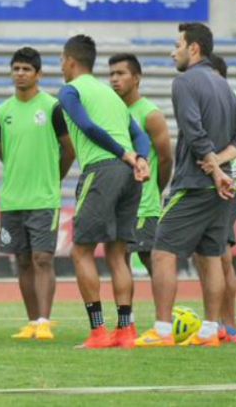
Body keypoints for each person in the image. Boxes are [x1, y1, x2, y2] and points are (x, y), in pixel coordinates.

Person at [134, 23, 236, 348]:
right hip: (221, 187)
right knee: (211, 255)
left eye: (177, 45)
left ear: (193, 48)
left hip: (195, 184)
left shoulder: (184, 82)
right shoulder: (225, 86)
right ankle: (210, 331)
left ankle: (162, 330)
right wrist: (221, 168)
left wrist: (213, 168)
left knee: (162, 251)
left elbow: (194, 131)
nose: (173, 52)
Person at [57, 35, 151, 349]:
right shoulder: (111, 95)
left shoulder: (70, 91)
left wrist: (124, 154)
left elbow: (86, 127)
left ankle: (98, 332)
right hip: (129, 175)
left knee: (81, 251)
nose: (61, 66)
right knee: (117, 253)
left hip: (102, 170)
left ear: (70, 61)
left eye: (62, 61)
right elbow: (140, 136)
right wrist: (141, 160)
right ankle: (126, 330)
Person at [0, 47, 75, 342]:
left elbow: (69, 150)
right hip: (13, 199)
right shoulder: (1, 113)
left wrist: (52, 178)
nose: (20, 74)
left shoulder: (53, 108)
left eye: (26, 69)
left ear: (38, 74)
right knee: (23, 260)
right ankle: (31, 321)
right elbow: (4, 153)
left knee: (42, 258)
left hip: (43, 199)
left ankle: (44, 321)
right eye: (16, 68)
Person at [193, 53, 236, 344]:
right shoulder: (221, 99)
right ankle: (219, 324)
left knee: (217, 250)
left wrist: (216, 163)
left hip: (232, 181)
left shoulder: (230, 100)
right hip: (220, 180)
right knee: (209, 250)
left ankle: (227, 325)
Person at [109, 54, 173, 278]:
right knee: (118, 260)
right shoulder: (111, 113)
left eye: (120, 73)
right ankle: (126, 305)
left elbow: (166, 159)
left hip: (143, 204)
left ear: (136, 78)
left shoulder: (150, 114)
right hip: (117, 203)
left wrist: (154, 189)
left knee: (149, 258)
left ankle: (165, 302)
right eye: (111, 74)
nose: (114, 79)